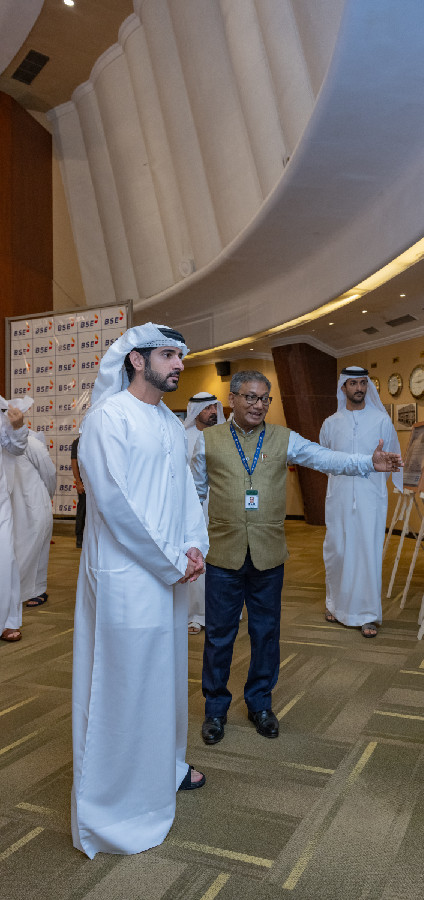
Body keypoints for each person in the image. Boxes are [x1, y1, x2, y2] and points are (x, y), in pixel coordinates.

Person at [190, 370, 403, 745]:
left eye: (265, 399)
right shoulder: (208, 441)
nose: (258, 405)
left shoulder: (283, 438)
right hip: (222, 555)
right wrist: (191, 544)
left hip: (269, 556)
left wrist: (369, 463)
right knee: (220, 636)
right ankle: (215, 710)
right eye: (251, 397)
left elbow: (327, 459)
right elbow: (192, 497)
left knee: (266, 633)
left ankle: (260, 704)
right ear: (233, 400)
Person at [71, 323, 209, 860]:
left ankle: (163, 770)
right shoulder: (107, 419)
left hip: (172, 576)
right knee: (124, 685)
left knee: (166, 680)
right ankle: (115, 804)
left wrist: (193, 546)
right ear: (136, 360)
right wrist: (171, 560)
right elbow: (116, 506)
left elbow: (187, 496)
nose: (178, 364)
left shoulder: (170, 425)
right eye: (168, 355)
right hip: (129, 579)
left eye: (180, 355)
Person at [320, 366, 403, 638]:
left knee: (368, 553)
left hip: (371, 499)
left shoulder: (381, 420)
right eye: (352, 383)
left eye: (363, 383)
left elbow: (393, 458)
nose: (358, 388)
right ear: (343, 387)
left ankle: (368, 615)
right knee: (338, 551)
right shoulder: (331, 423)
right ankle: (335, 604)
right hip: (339, 498)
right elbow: (324, 461)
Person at [183, 392, 225, 634]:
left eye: (214, 407)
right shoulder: (182, 436)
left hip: (221, 506)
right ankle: (196, 614)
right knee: (196, 556)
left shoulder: (224, 436)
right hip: (193, 507)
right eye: (207, 408)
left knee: (221, 559)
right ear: (195, 411)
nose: (212, 412)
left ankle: (223, 611)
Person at [9, 399, 56, 608]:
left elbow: (49, 474)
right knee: (18, 550)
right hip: (14, 507)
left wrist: (45, 498)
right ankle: (18, 590)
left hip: (35, 505)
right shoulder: (5, 445)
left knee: (36, 550)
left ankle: (37, 590)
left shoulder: (32, 443)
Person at [0, 396, 28, 642]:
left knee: (5, 559)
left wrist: (18, 426)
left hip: (0, 504)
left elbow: (16, 448)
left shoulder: (2, 410)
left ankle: (7, 621)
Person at [71, 436, 86, 548]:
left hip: (97, 483)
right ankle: (79, 538)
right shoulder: (78, 442)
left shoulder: (98, 439)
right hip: (84, 483)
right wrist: (78, 482)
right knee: (83, 509)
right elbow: (74, 462)